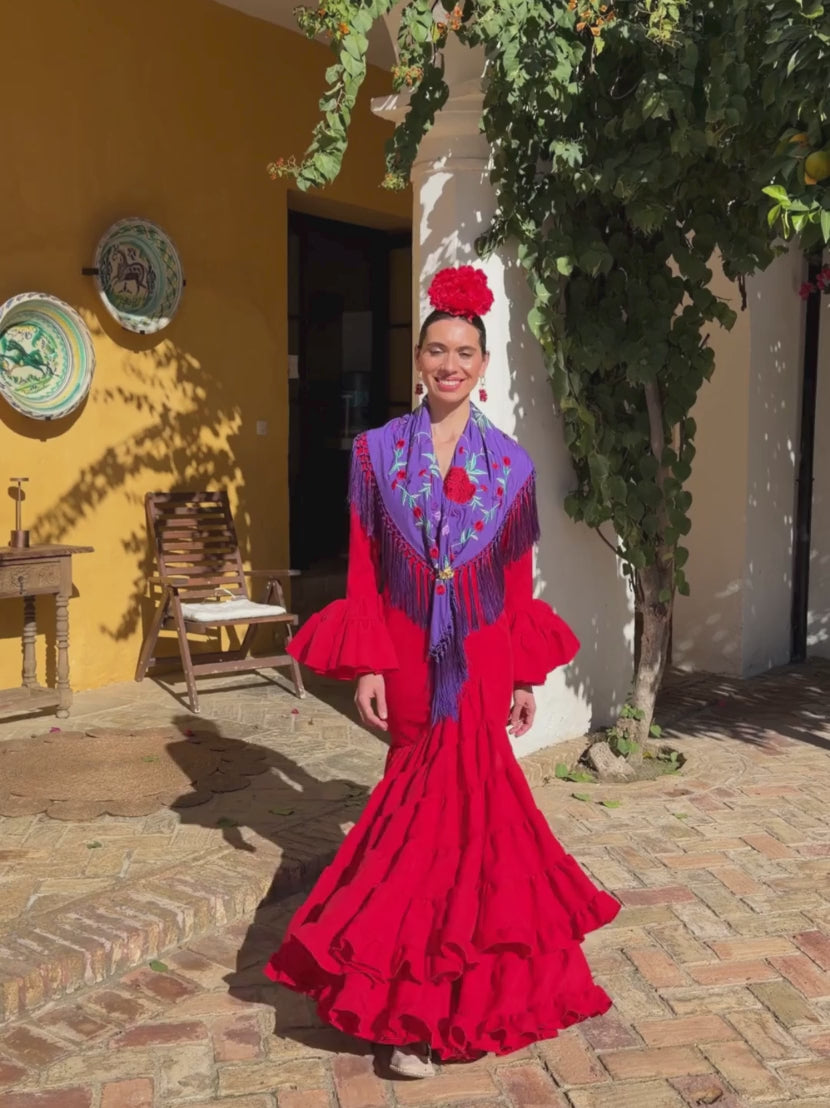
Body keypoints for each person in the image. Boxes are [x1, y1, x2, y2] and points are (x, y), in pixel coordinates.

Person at [264, 265, 620, 1079]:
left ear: (484, 365)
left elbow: (515, 576)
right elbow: (362, 566)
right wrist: (367, 666)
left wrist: (527, 675)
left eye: (464, 352)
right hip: (409, 658)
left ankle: (459, 1003)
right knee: (417, 825)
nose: (449, 364)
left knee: (478, 826)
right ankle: (410, 1013)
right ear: (417, 360)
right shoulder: (375, 453)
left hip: (487, 656)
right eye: (436, 350)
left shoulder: (514, 466)